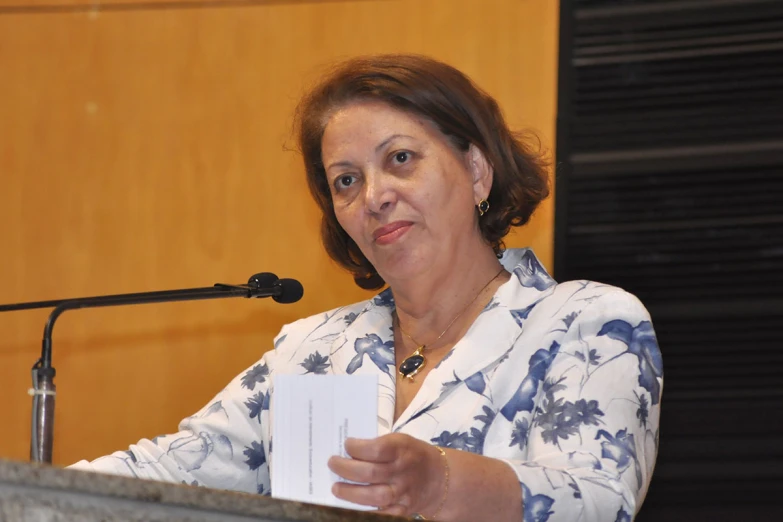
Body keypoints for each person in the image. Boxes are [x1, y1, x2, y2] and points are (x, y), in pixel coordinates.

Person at [70, 54, 663, 522]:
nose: (374, 196)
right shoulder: (311, 350)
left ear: (477, 170)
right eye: (346, 180)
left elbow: (598, 500)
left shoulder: (585, 321)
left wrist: (440, 482)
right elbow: (178, 469)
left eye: (401, 158)